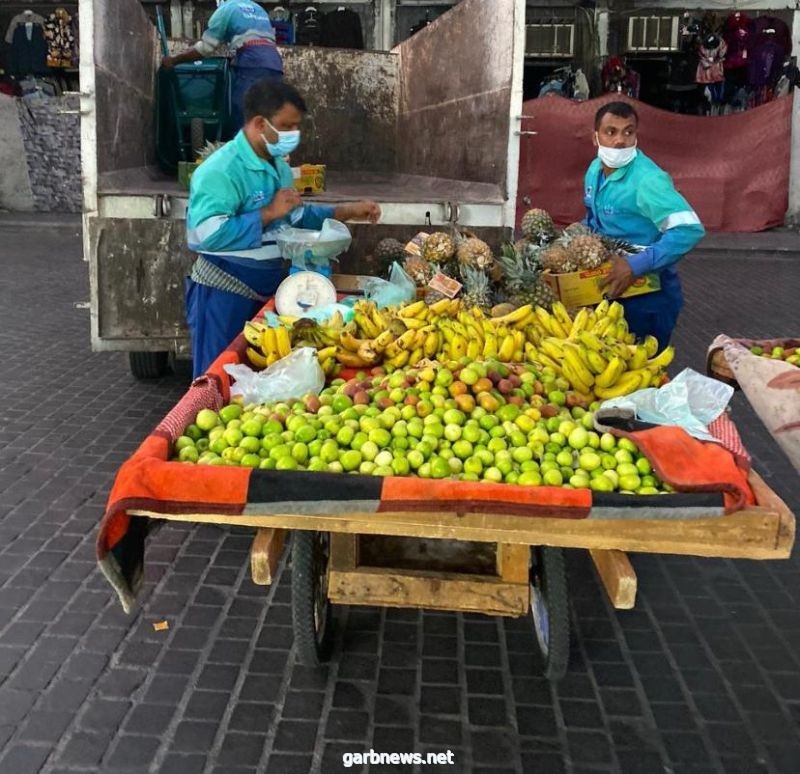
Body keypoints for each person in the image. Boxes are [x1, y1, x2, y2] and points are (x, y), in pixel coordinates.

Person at [185, 79, 380, 378]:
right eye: (286, 127)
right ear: (260, 123)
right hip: (224, 292)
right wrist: (267, 212)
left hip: (269, 290)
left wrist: (348, 211)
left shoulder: (277, 165)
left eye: (296, 127)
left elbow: (294, 216)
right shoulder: (219, 171)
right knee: (216, 377)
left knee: (259, 375)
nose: (293, 135)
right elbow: (205, 234)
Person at [585, 102, 705, 350]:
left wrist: (635, 265)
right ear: (595, 138)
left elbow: (689, 229)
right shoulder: (595, 170)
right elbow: (594, 220)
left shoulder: (648, 180)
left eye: (628, 132)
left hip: (649, 294)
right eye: (611, 132)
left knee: (642, 375)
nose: (620, 141)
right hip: (611, 288)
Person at [162, 0, 283, 132]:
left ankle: (242, 151)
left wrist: (174, 60)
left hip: (251, 62)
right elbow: (259, 39)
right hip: (274, 63)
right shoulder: (258, 8)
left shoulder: (226, 10)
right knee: (269, 119)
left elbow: (206, 48)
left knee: (244, 119)